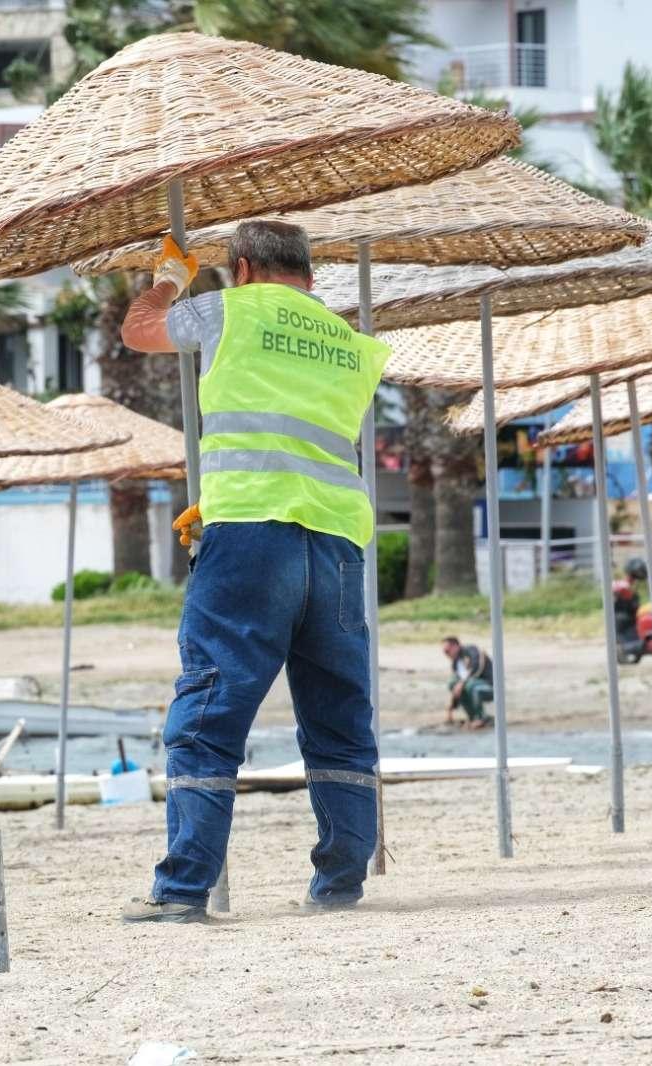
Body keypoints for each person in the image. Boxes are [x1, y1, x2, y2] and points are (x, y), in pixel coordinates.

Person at [117, 219, 390, 924]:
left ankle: (182, 890)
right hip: (333, 541)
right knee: (337, 716)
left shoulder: (229, 309)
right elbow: (296, 432)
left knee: (210, 710)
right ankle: (339, 884)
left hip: (248, 536)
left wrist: (170, 280)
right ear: (310, 275)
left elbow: (141, 331)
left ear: (240, 268)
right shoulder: (351, 344)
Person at [441, 636, 493, 730]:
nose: (446, 654)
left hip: (490, 687)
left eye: (447, 651)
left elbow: (477, 668)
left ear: (456, 646)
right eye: (444, 652)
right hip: (472, 686)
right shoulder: (455, 664)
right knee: (452, 683)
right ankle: (472, 717)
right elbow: (456, 688)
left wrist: (462, 683)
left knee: (470, 685)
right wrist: (450, 708)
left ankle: (480, 718)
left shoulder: (471, 650)